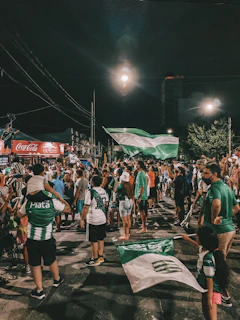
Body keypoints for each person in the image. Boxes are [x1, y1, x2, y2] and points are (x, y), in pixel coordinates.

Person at [17, 191, 71, 299]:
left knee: (35, 264)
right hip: (47, 238)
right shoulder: (51, 201)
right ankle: (56, 279)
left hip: (33, 239)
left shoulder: (28, 202)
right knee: (51, 259)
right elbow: (67, 209)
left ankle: (40, 290)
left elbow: (19, 214)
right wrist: (60, 197)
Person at [202, 162, 239, 307]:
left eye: (206, 173)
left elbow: (216, 204)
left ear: (214, 174)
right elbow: (236, 207)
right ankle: (220, 290)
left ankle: (224, 293)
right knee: (221, 260)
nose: (203, 176)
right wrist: (226, 216)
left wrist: (214, 219)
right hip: (229, 229)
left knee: (218, 262)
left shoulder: (215, 188)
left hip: (221, 231)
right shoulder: (227, 188)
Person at [182, 226, 230, 320]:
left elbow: (209, 279)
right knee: (207, 315)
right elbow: (196, 246)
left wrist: (209, 299)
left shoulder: (208, 258)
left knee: (211, 317)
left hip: (210, 292)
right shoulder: (205, 250)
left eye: (197, 236)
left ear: (203, 240)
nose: (196, 237)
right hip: (206, 290)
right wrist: (187, 239)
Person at [80, 175, 108, 267]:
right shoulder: (104, 191)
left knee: (93, 240)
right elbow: (106, 204)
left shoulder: (90, 192)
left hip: (93, 219)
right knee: (101, 238)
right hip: (102, 218)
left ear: (92, 183)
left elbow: (86, 207)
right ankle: (101, 256)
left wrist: (82, 219)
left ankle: (94, 258)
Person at [116, 172, 134, 240]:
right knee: (128, 219)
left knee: (124, 220)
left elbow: (115, 190)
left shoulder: (121, 186)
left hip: (123, 202)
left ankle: (125, 235)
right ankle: (128, 233)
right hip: (129, 201)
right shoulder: (129, 185)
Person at [134, 160, 148, 233]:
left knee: (142, 212)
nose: (135, 165)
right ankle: (143, 225)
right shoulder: (140, 173)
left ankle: (144, 227)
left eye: (136, 164)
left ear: (139, 165)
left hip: (141, 196)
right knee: (142, 211)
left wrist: (139, 197)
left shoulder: (141, 174)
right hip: (141, 196)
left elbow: (142, 187)